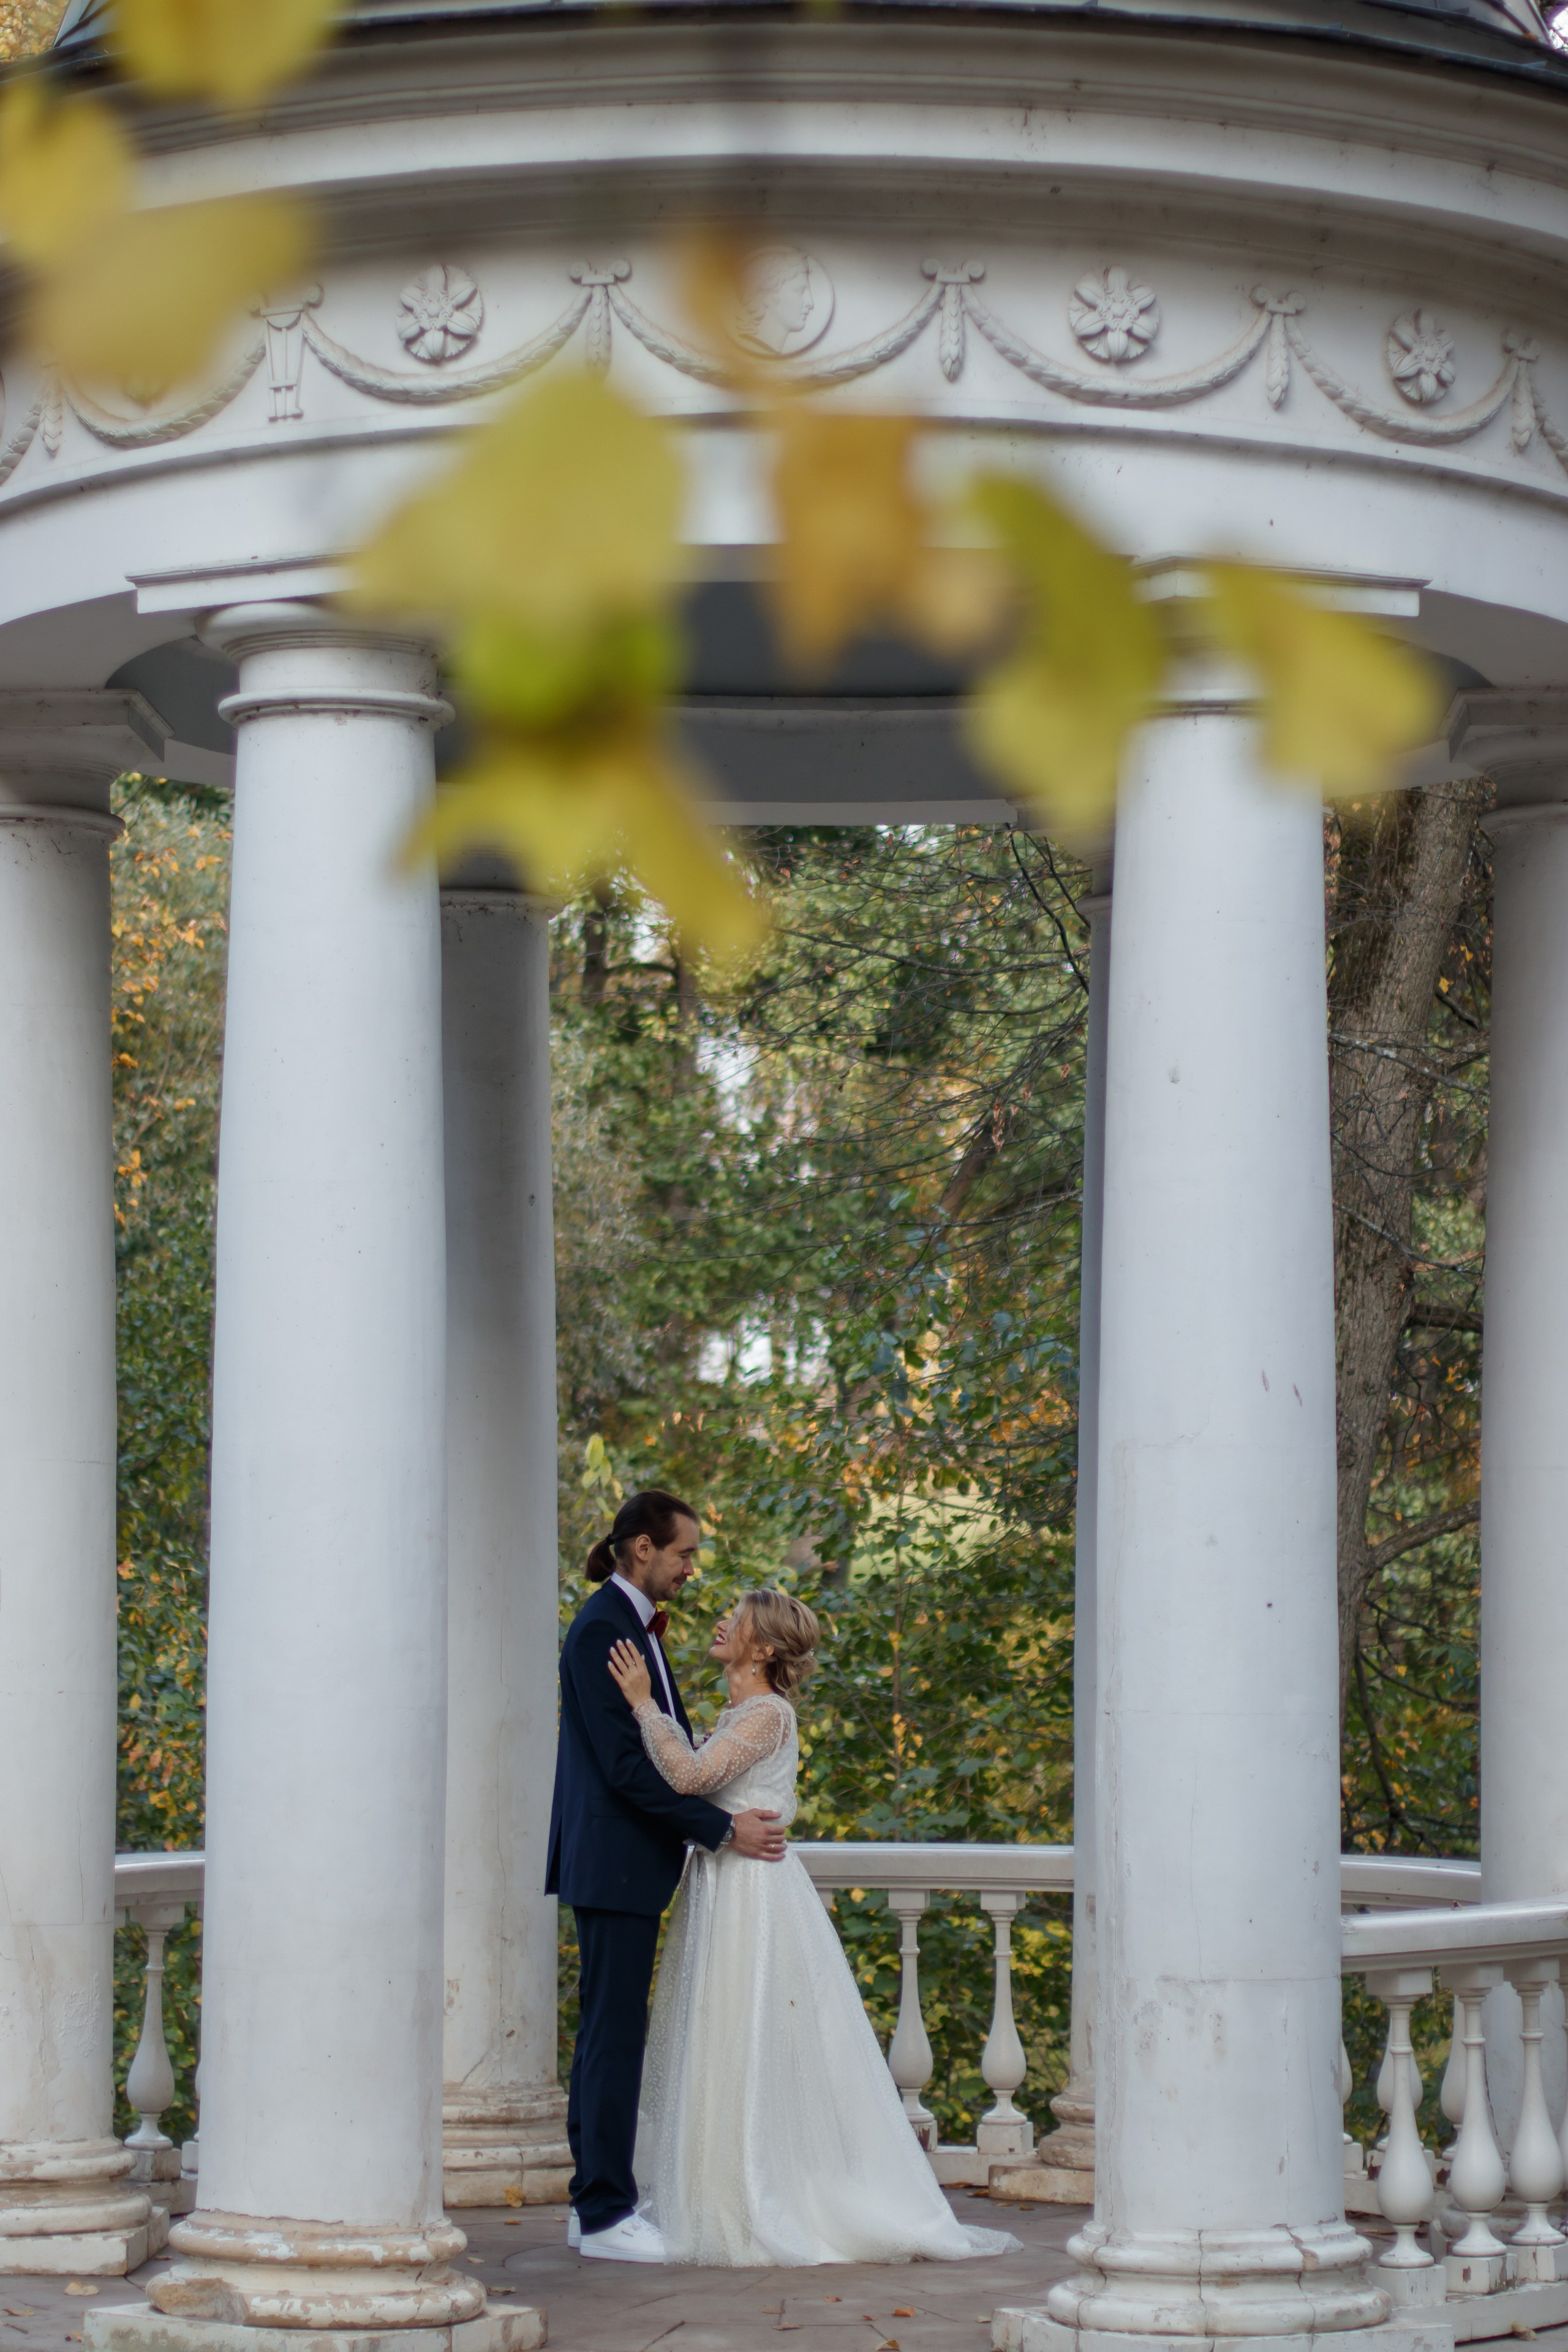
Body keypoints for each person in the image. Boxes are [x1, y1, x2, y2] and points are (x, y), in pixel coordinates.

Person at [605, 1588, 1019, 2267]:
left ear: (762, 1648)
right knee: (724, 2037)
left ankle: (760, 2197)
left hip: (753, 1899)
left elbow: (687, 1776)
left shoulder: (766, 1713)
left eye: (733, 1620)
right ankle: (723, 2197)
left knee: (752, 2037)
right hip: (723, 1885)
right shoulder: (741, 1711)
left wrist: (644, 1703)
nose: (719, 1622)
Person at [547, 1491, 788, 2264]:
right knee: (613, 2039)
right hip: (613, 1860)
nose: (690, 1570)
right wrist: (722, 1829)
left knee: (610, 2034)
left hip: (629, 1863)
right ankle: (606, 2213)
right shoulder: (602, 1632)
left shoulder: (634, 1630)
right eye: (684, 1554)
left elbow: (672, 1752)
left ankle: (594, 2204)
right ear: (643, 1549)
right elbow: (625, 1769)